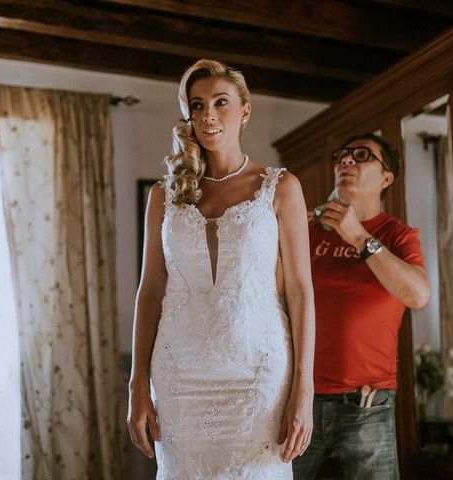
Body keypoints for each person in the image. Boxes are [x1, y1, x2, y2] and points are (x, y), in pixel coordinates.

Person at [126, 59, 316, 479]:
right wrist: (137, 382)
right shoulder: (164, 195)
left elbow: (301, 292)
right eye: (197, 105)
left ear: (245, 110)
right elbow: (150, 293)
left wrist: (305, 388)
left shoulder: (280, 187)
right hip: (179, 379)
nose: (208, 115)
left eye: (220, 102)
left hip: (257, 376)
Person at [293, 133, 430, 480]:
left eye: (361, 155)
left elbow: (417, 295)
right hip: (300, 397)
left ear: (387, 178)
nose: (346, 161)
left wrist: (357, 237)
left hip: (367, 403)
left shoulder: (398, 235)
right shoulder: (309, 232)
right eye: (341, 155)